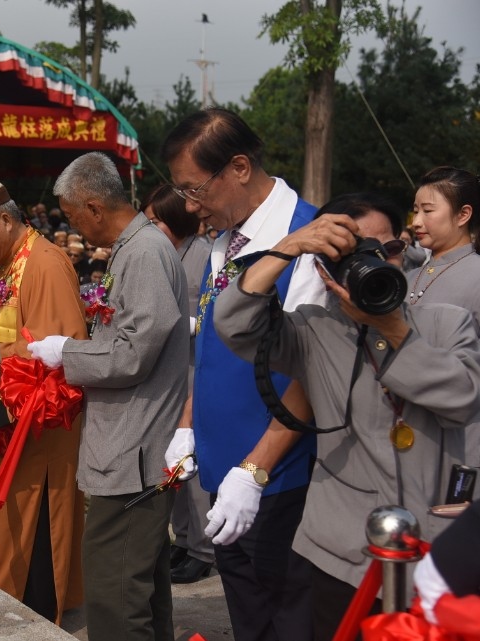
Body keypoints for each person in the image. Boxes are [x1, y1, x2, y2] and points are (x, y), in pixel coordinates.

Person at [213, 210, 480, 641]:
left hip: (435, 548)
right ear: (324, 267)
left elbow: (462, 396)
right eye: (354, 255)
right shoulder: (314, 330)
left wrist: (393, 329)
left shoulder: (447, 322)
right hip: (342, 552)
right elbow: (233, 323)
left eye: (387, 250)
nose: (374, 266)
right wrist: (289, 246)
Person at [160, 108, 320, 641]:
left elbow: (315, 379)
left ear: (240, 168)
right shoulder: (223, 241)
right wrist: (188, 425)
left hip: (277, 480)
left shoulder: (305, 241)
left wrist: (254, 471)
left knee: (287, 619)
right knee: (248, 619)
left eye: (195, 188)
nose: (189, 204)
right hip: (222, 474)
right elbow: (208, 344)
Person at [28, 152, 190, 641]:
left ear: (95, 208)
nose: (75, 229)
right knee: (137, 587)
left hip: (132, 452)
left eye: (74, 217)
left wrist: (68, 354)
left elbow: (135, 353)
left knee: (114, 596)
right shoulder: (132, 249)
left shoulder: (143, 252)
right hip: (124, 444)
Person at [0, 176, 87, 625]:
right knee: (4, 530)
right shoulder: (6, 264)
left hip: (36, 430)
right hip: (2, 421)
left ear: (5, 220)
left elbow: (57, 358)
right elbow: (1, 342)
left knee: (33, 533)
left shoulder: (44, 262)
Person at [143, 184, 215, 584]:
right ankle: (185, 539)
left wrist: (193, 325)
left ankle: (203, 548)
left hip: (195, 368)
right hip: (170, 370)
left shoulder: (203, 255)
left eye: (156, 220)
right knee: (175, 464)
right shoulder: (165, 254)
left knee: (195, 463)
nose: (150, 226)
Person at [408, 167, 480, 470]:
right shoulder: (407, 278)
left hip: (465, 439)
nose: (416, 222)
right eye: (414, 211)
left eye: (428, 211)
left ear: (463, 215)